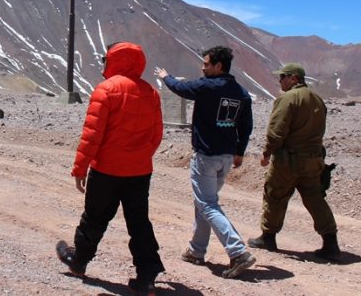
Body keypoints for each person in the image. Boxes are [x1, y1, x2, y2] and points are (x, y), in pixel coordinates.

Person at [56, 41, 165, 295]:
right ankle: (147, 275)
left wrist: (80, 168)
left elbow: (92, 135)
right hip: (140, 171)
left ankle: (78, 261)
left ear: (114, 61)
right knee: (139, 222)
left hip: (107, 169)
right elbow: (157, 134)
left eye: (106, 59)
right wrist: (140, 156)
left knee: (95, 217)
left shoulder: (106, 90)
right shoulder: (151, 92)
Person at [154, 46, 257, 279]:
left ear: (218, 66)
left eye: (206, 63)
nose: (202, 67)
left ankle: (238, 251)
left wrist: (165, 77)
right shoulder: (241, 92)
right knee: (205, 203)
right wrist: (240, 151)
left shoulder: (207, 87)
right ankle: (196, 251)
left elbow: (181, 88)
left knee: (208, 204)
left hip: (206, 156)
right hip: (227, 156)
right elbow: (246, 125)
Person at [248, 63, 341, 260]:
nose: (279, 80)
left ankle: (268, 237)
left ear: (294, 78)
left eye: (283, 76)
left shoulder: (288, 98)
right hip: (313, 160)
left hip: (288, 160)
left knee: (274, 195)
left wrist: (267, 153)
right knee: (315, 198)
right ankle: (330, 242)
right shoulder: (317, 99)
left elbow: (276, 130)